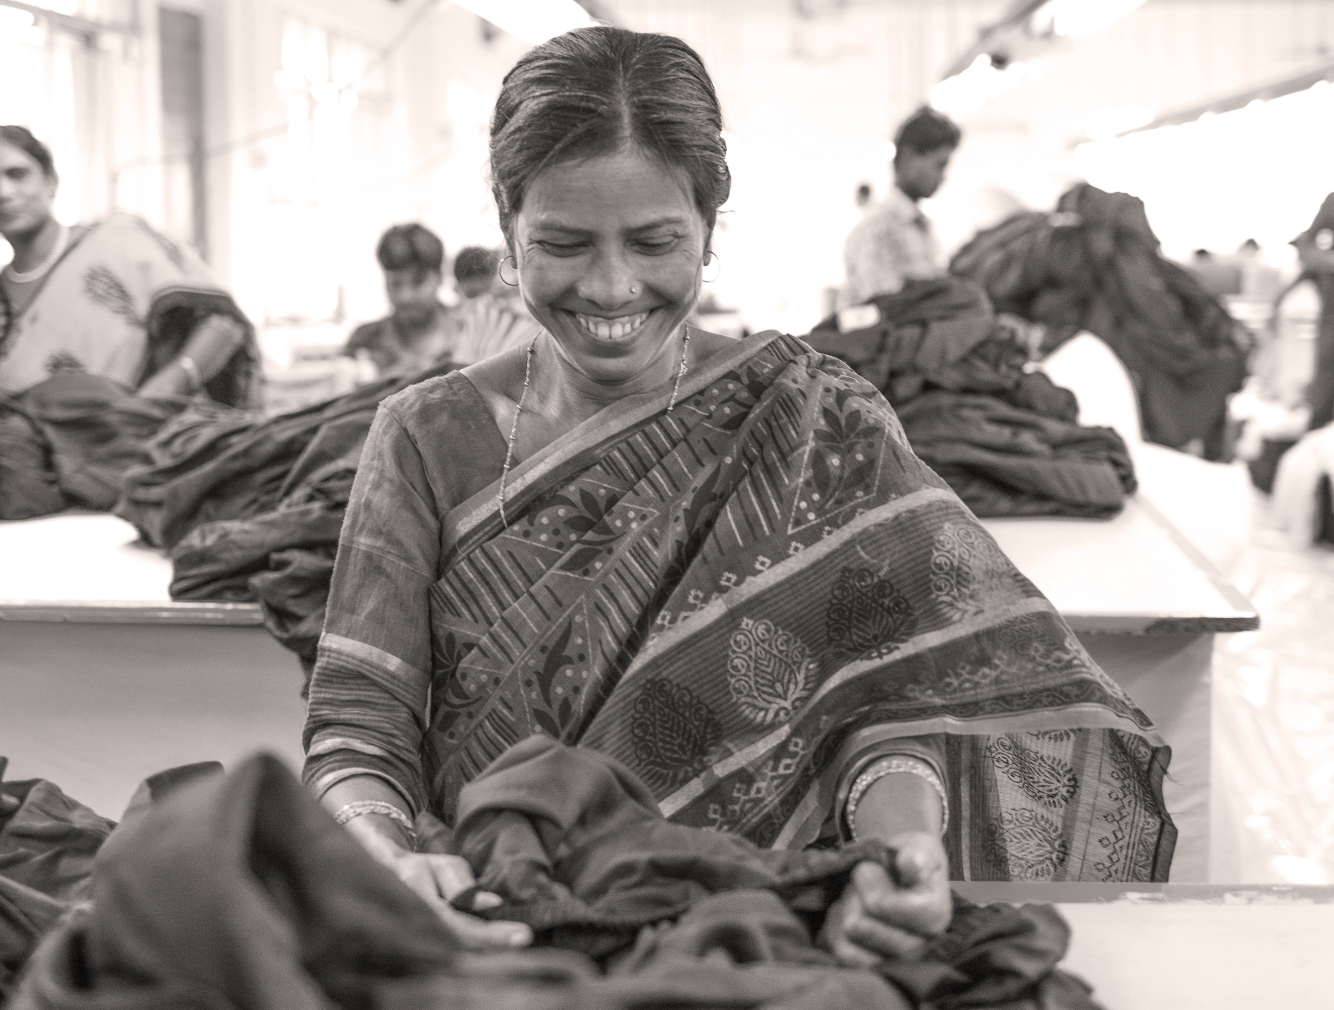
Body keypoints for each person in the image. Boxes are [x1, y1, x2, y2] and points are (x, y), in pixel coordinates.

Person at [302, 26, 1174, 964]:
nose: (609, 287)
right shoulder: (424, 439)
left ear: (710, 228)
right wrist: (383, 852)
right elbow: (359, 729)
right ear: (507, 228)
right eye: (561, 242)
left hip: (751, 934)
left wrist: (900, 852)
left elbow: (897, 705)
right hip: (493, 928)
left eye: (654, 241)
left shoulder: (812, 418)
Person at [0, 126, 257, 405]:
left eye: (17, 174)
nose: (4, 192)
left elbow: (223, 324)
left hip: (151, 433)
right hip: (43, 445)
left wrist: (169, 385)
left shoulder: (119, 240)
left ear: (51, 181)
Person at [842, 107, 961, 305]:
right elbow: (887, 314)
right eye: (939, 165)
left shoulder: (922, 228)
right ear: (908, 158)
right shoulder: (876, 229)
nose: (943, 177)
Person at [343, 223, 460, 377]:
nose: (406, 296)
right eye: (395, 283)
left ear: (440, 277)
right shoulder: (365, 341)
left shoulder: (468, 334)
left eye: (418, 282)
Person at [450, 243, 543, 365]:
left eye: (478, 293)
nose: (481, 302)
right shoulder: (466, 323)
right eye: (471, 296)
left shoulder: (529, 312)